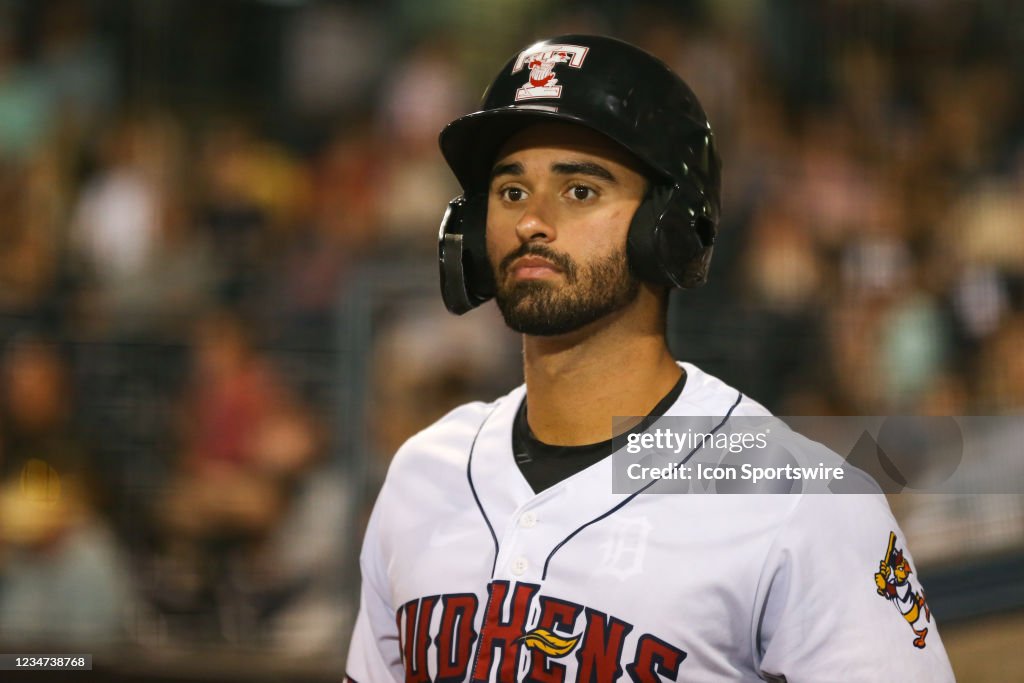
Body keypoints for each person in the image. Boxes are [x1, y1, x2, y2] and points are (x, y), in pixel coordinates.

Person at [345, 35, 955, 682]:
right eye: (511, 191)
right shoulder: (420, 476)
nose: (531, 222)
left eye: (579, 190)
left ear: (668, 227)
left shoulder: (800, 502)